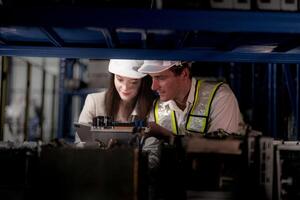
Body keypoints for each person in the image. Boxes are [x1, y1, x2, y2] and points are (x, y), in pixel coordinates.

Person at [138, 60, 244, 140]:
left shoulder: (220, 97)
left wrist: (170, 138)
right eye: (152, 78)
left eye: (161, 78)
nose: (153, 87)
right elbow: (152, 158)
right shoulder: (156, 107)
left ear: (184, 74)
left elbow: (222, 151)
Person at [75, 59, 156, 143]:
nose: (125, 88)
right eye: (120, 80)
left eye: (133, 82)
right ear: (113, 77)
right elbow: (80, 142)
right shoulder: (94, 102)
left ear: (142, 82)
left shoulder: (152, 106)